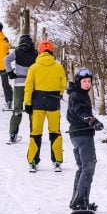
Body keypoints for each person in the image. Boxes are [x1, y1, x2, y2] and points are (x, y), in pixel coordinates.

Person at [24, 40, 67, 172]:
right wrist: (59, 93)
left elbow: (29, 86)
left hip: (38, 103)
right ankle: (57, 160)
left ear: (39, 51)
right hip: (53, 103)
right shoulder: (58, 67)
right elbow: (63, 85)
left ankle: (33, 161)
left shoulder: (34, 67)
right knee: (55, 132)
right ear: (52, 51)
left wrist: (27, 103)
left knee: (36, 133)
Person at [66, 68, 104, 212]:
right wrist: (93, 121)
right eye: (84, 81)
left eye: (89, 81)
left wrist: (93, 121)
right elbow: (81, 112)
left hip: (78, 133)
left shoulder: (80, 94)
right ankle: (80, 202)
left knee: (83, 167)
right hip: (82, 134)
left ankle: (78, 199)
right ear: (78, 82)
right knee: (89, 165)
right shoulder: (77, 95)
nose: (87, 84)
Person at [4, 34, 38, 144]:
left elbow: (6, 60)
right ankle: (34, 134)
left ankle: (13, 134)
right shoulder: (36, 53)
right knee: (32, 109)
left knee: (17, 110)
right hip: (32, 85)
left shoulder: (17, 52)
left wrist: (10, 72)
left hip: (19, 83)